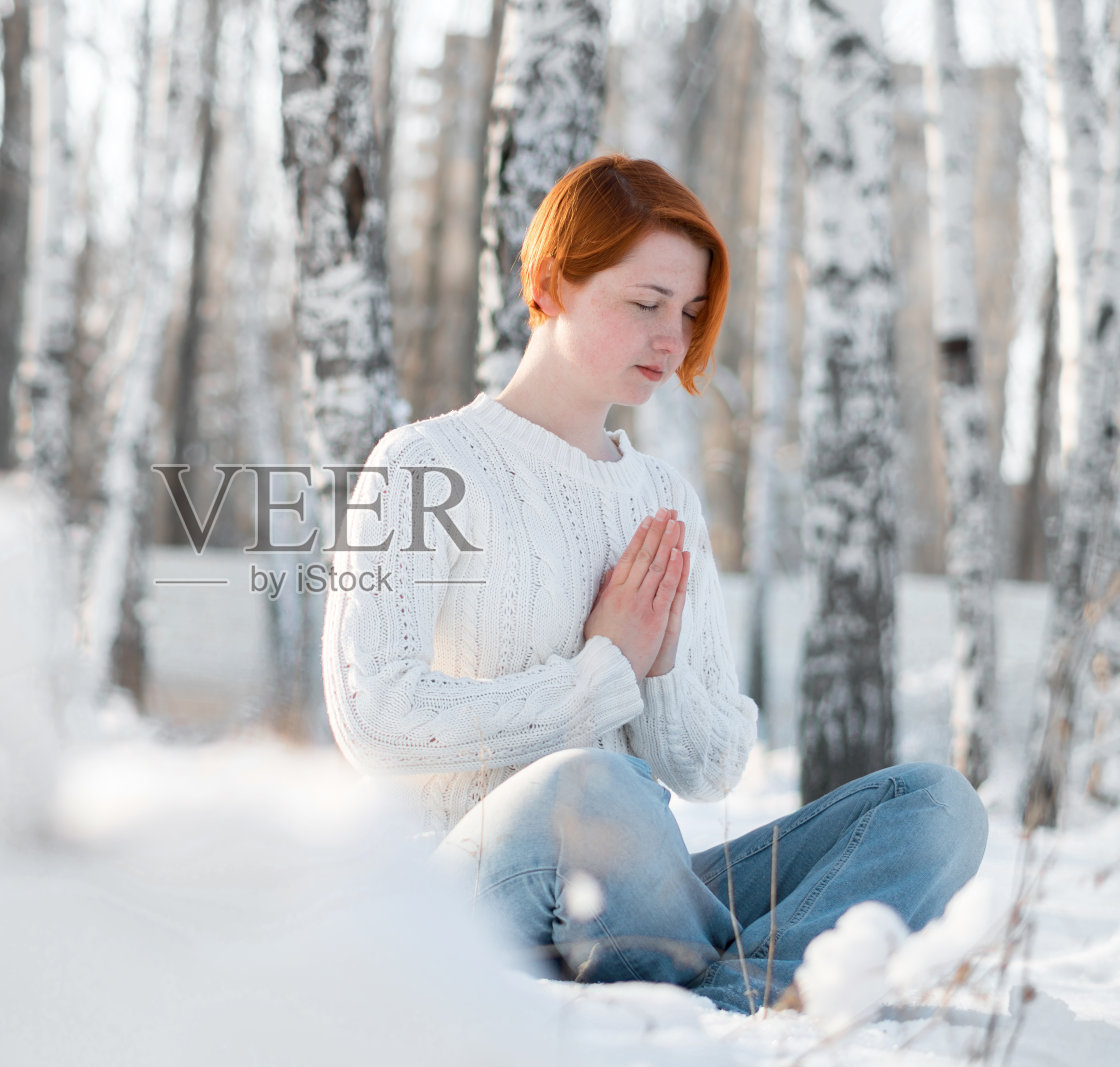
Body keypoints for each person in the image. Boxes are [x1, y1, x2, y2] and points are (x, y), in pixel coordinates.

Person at [319, 155, 987, 1013]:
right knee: (593, 787)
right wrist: (603, 673)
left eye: (691, 312)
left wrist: (658, 669)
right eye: (646, 304)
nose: (673, 339)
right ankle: (732, 991)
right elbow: (373, 713)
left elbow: (711, 766)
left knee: (936, 805)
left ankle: (724, 1005)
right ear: (549, 283)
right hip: (463, 892)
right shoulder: (425, 462)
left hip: (630, 890)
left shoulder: (663, 497)